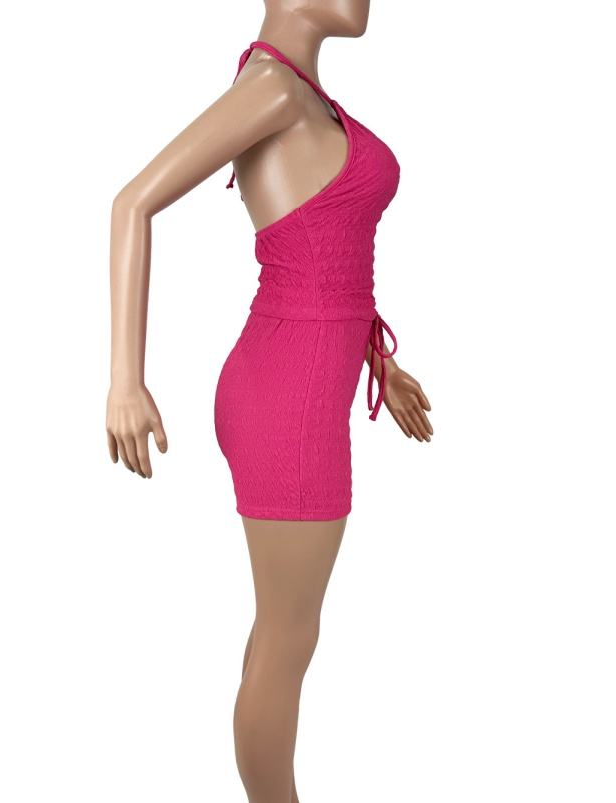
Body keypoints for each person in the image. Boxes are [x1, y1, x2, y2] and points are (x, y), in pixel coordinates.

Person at [106, 2, 433, 800]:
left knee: (281, 635)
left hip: (297, 380)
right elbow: (131, 203)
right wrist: (125, 379)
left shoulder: (302, 95)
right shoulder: (273, 90)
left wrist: (377, 362)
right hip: (288, 398)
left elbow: (320, 257)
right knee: (287, 640)